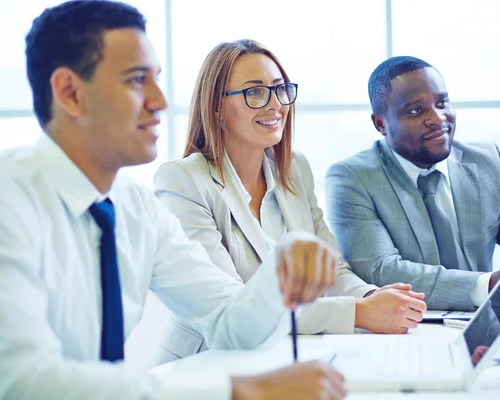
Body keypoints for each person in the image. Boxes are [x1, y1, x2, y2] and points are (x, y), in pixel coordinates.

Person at [0, 2, 347, 399]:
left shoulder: (137, 208)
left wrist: (281, 265)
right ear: (70, 93)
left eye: (157, 80)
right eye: (136, 81)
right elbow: (18, 385)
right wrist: (237, 391)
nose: (160, 101)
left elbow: (229, 325)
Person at [152, 40, 427, 364]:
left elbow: (332, 268)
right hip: (203, 366)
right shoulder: (182, 181)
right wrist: (359, 312)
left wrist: (372, 296)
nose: (275, 105)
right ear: (216, 107)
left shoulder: (294, 170)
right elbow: (237, 307)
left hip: (281, 358)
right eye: (254, 92)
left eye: (280, 89)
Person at [325, 56, 500, 312]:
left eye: (442, 103)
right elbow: (381, 269)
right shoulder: (352, 178)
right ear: (380, 124)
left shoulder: (489, 162)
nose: (438, 118)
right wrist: (487, 285)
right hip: (408, 329)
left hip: (486, 326)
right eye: (416, 111)